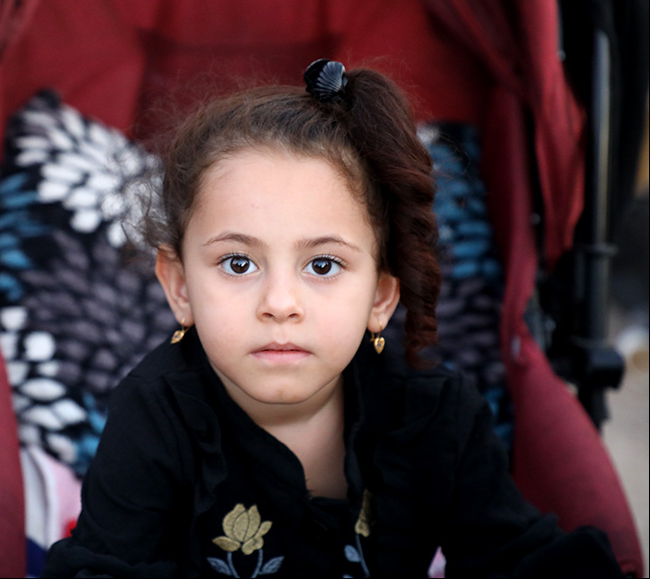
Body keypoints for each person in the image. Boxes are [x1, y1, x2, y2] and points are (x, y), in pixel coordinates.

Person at [42, 60, 622, 577]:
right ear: (179, 286)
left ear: (380, 297)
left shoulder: (434, 415)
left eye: (322, 264)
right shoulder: (155, 414)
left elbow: (517, 558)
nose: (280, 301)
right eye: (238, 262)